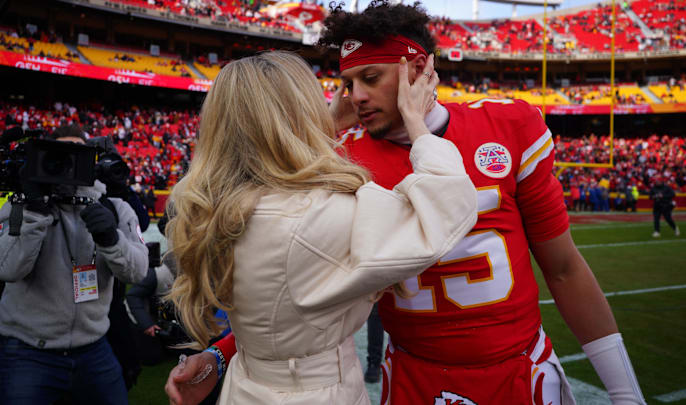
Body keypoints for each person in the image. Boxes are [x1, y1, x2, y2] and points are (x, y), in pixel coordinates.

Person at [165, 2, 646, 405]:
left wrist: (625, 393)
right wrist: (227, 351)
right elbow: (291, 293)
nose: (356, 96)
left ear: (418, 68)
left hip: (517, 370)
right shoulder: (339, 160)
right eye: (347, 83)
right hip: (415, 377)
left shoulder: (509, 125)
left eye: (370, 78)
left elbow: (562, 268)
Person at [164, 50, 477, 405]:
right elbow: (447, 207)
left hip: (250, 382)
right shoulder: (319, 216)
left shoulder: (218, 205)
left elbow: (277, 320)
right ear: (299, 115)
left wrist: (220, 354)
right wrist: (416, 121)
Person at [0, 125, 149, 405]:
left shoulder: (115, 208)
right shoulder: (19, 204)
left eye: (77, 154)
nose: (68, 164)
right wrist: (34, 214)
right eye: (59, 155)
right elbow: (7, 269)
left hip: (94, 348)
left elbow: (138, 271)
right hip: (27, 350)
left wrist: (111, 239)